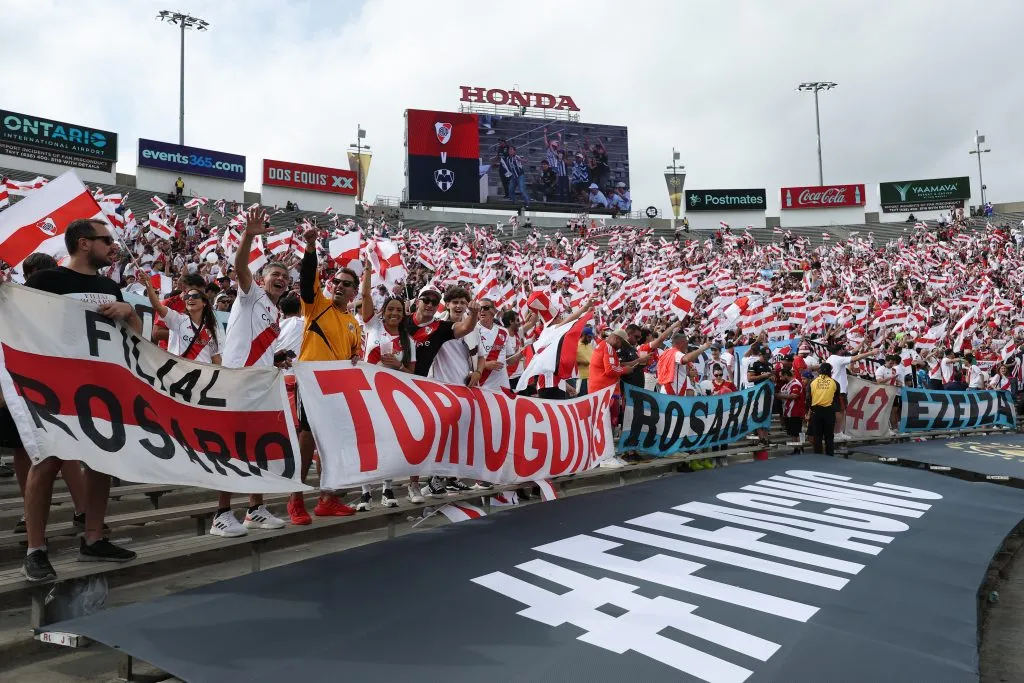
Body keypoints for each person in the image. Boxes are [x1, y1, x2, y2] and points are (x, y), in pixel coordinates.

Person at [19, 219, 143, 582]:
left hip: (102, 387)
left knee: (102, 461)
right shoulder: (46, 281)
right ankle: (35, 549)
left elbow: (134, 341)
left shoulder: (110, 286)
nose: (113, 246)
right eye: (106, 240)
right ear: (85, 243)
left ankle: (93, 538)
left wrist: (130, 313)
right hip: (56, 387)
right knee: (48, 463)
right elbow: (20, 327)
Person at [212, 208, 291, 537]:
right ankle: (220, 514)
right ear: (262, 279)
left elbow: (257, 348)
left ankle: (255, 508)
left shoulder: (274, 311)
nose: (281, 280)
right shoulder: (250, 294)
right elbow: (239, 266)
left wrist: (276, 361)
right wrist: (249, 235)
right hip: (237, 382)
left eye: (285, 279)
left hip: (260, 384)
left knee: (255, 445)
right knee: (231, 445)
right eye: (276, 276)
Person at [0, 253, 89, 538]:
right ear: (33, 275)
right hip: (22, 384)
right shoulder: (12, 303)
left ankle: (82, 510)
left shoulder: (64, 306)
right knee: (28, 448)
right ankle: (46, 513)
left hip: (54, 384)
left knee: (65, 447)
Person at [290, 226, 364, 523]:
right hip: (310, 381)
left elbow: (354, 355)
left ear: (354, 292)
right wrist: (311, 248)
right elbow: (308, 281)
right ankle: (295, 499)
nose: (339, 286)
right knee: (307, 437)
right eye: (336, 281)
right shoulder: (316, 305)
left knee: (331, 442)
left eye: (346, 284)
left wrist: (356, 358)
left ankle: (327, 499)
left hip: (336, 389)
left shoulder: (353, 323)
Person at [402, 284, 478, 497]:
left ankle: (416, 483)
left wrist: (473, 314)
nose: (429, 304)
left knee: (420, 437)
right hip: (396, 385)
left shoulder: (440, 328)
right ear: (417, 301)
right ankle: (379, 490)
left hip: (420, 389)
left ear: (438, 306)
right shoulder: (403, 321)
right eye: (425, 299)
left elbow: (466, 329)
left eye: (434, 302)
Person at [357, 264, 418, 510]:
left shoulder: (409, 341)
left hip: (392, 398)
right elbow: (365, 296)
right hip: (366, 392)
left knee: (388, 443)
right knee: (367, 442)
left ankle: (387, 487)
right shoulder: (373, 326)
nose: (394, 313)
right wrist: (369, 272)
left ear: (403, 315)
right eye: (390, 309)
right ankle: (365, 492)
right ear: (383, 311)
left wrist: (397, 366)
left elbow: (412, 375)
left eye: (399, 311)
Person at [825, 341, 876, 442]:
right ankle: (837, 433)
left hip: (835, 388)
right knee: (840, 412)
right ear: (840, 351)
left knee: (840, 411)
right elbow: (855, 358)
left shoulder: (831, 358)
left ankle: (838, 432)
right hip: (839, 390)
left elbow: (852, 353)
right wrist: (871, 353)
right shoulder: (838, 359)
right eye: (843, 349)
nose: (845, 351)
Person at [809, 362, 840, 457]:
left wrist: (810, 410)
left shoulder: (812, 382)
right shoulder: (835, 383)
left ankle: (818, 456)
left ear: (819, 371)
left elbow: (808, 398)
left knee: (817, 435)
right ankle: (830, 455)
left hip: (816, 411)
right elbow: (836, 399)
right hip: (829, 411)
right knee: (829, 436)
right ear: (830, 372)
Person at [776, 367, 806, 454]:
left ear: (786, 375)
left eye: (781, 376)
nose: (780, 378)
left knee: (796, 431)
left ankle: (800, 448)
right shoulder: (785, 385)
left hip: (795, 411)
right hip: (787, 412)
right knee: (792, 432)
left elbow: (794, 396)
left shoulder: (795, 383)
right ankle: (795, 448)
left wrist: (779, 395)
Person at [575, 325, 594, 395]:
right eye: (589, 337)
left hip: (590, 377)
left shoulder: (590, 346)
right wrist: (581, 362)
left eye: (591, 337)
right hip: (580, 378)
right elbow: (570, 361)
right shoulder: (576, 345)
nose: (591, 339)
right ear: (583, 335)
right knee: (580, 399)